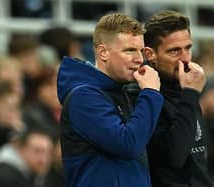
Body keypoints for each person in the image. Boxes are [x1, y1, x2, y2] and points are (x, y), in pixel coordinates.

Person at [57, 13, 163, 187]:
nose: (139, 59)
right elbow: (128, 144)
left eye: (141, 51)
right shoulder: (83, 98)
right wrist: (151, 92)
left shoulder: (124, 91)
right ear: (103, 52)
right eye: (129, 50)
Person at [142, 10, 213, 186]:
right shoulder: (143, 95)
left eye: (188, 48)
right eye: (174, 51)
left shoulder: (186, 86)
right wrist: (190, 94)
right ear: (150, 54)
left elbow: (197, 159)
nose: (185, 59)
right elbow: (175, 157)